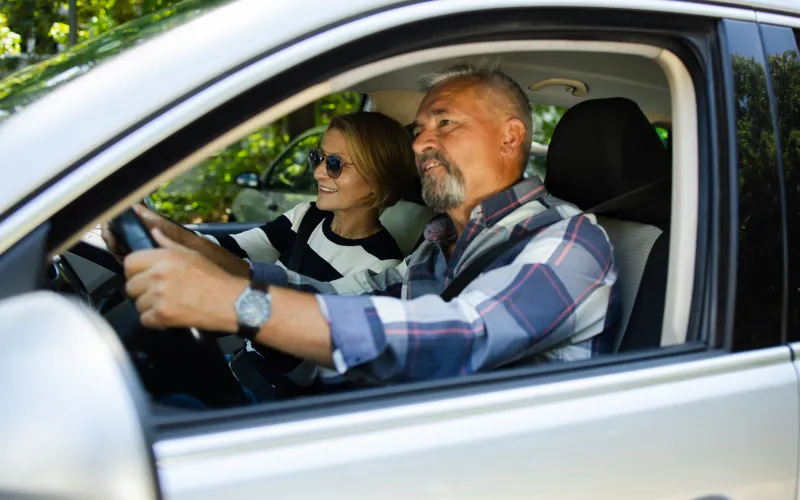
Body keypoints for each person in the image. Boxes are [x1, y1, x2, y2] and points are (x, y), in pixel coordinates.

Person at [115, 60, 621, 386]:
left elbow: (457, 337)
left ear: (510, 138)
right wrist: (178, 243)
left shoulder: (570, 241)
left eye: (445, 122)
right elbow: (337, 296)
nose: (420, 142)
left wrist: (237, 304)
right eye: (419, 129)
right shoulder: (438, 244)